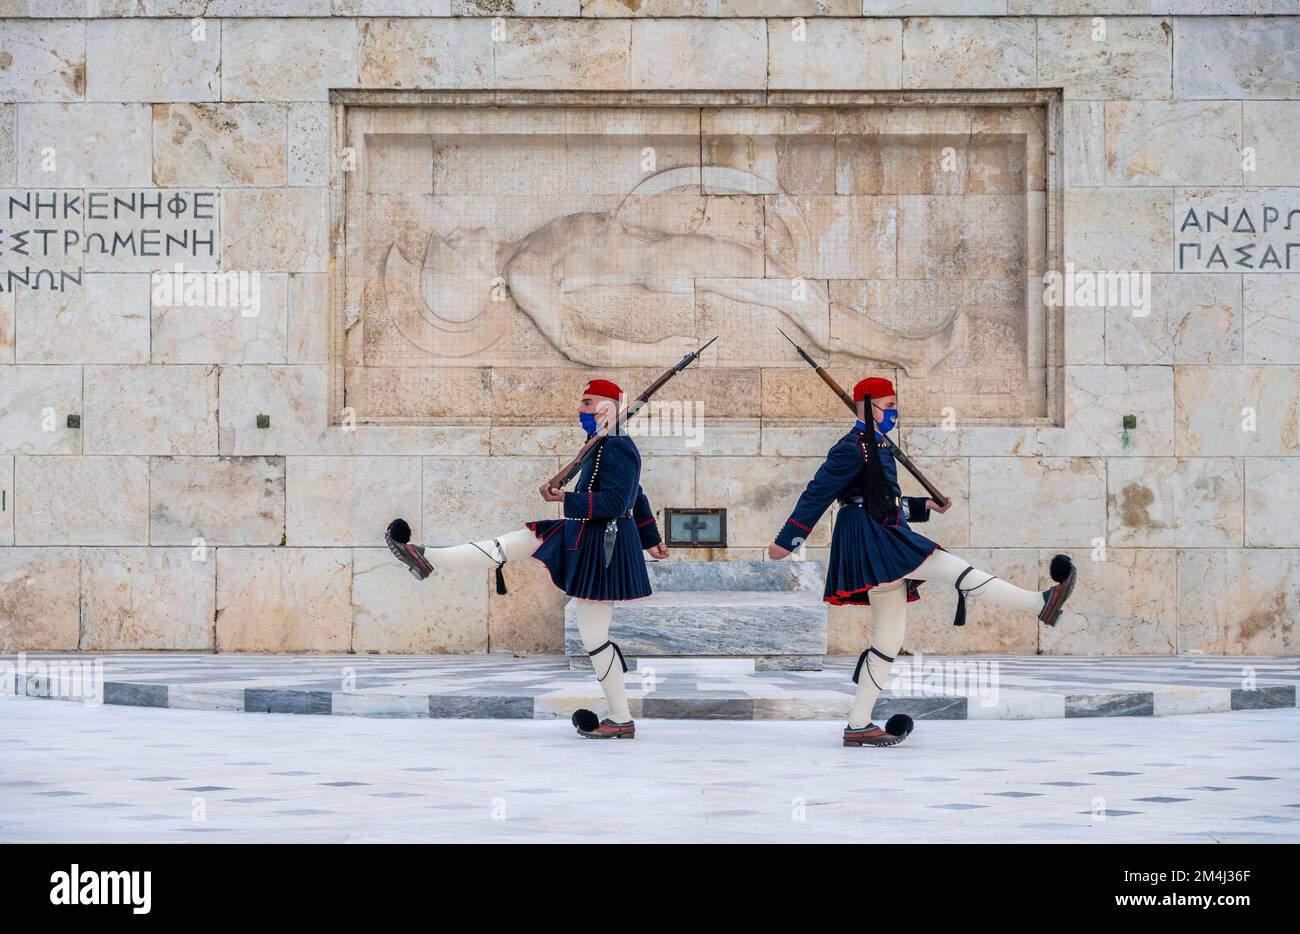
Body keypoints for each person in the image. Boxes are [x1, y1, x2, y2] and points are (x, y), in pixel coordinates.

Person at [768, 376, 1077, 747]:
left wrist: (924, 505)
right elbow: (817, 493)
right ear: (865, 407)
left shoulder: (877, 445)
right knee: (948, 565)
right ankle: (1038, 604)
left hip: (883, 531)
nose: (893, 412)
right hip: (871, 537)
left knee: (888, 639)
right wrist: (788, 540)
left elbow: (884, 498)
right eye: (887, 405)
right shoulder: (852, 448)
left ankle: (858, 725)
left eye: (895, 405)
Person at [386, 378, 669, 739]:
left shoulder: (617, 447)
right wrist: (652, 539)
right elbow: (638, 495)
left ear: (607, 407)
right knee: (518, 549)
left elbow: (619, 501)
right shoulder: (601, 444)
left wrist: (564, 500)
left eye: (587, 402)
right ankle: (426, 557)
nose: (579, 409)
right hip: (590, 537)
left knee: (590, 631)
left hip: (603, 546)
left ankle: (620, 718)